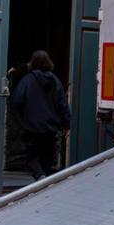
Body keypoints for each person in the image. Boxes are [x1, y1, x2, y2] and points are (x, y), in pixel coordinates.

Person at [10, 50, 71, 181]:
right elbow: (63, 105)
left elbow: (17, 100)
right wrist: (67, 124)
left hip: (32, 126)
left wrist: (23, 117)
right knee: (46, 159)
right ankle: (44, 182)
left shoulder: (28, 80)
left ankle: (40, 176)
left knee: (31, 158)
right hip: (50, 127)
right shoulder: (55, 81)